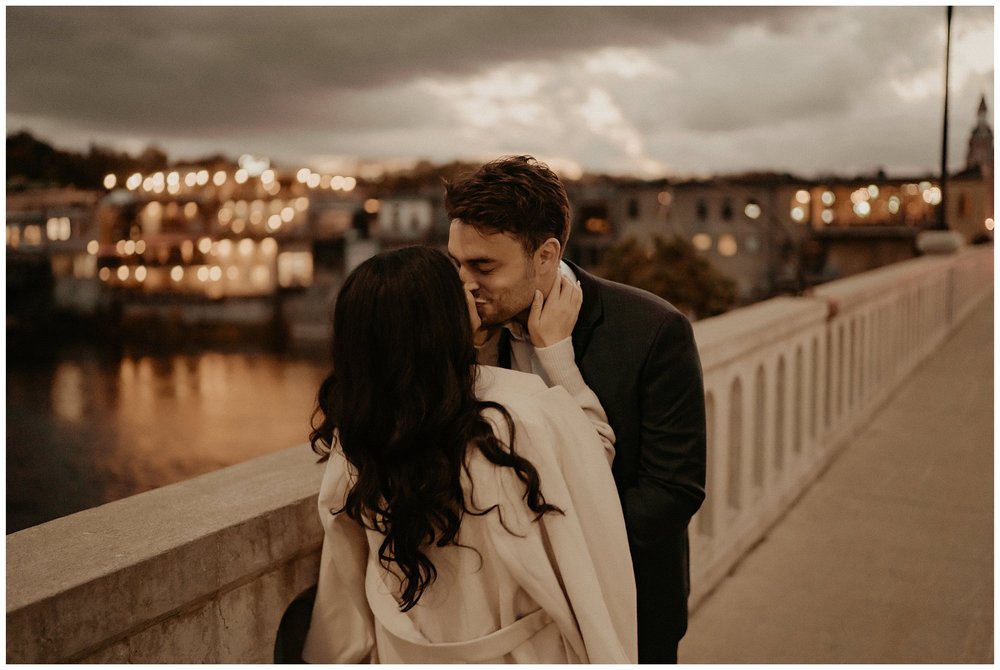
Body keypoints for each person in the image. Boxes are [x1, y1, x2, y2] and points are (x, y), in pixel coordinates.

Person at [301, 246, 637, 664]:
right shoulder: (518, 418)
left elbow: (345, 575)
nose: (473, 290)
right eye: (461, 287)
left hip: (408, 649)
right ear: (443, 318)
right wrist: (557, 356)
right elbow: (593, 456)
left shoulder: (358, 438)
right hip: (520, 653)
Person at [445, 155, 707, 664]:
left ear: (545, 256)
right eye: (455, 261)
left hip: (627, 603)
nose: (464, 283)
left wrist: (550, 548)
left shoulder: (652, 330)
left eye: (483, 266)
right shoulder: (457, 323)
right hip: (501, 618)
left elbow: (674, 490)